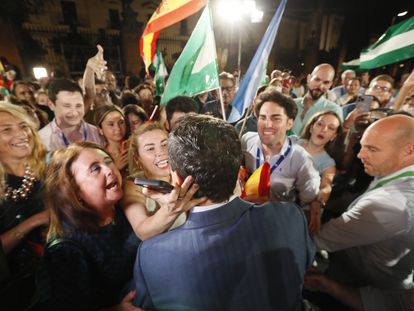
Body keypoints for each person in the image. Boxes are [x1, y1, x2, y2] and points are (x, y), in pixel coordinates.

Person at [132, 114, 315, 310]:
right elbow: (306, 263)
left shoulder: (152, 255)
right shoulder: (289, 216)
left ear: (176, 178)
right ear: (239, 170)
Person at [306, 115, 414, 311]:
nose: (360, 155)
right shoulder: (392, 173)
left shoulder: (390, 203)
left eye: (372, 149)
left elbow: (318, 239)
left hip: (362, 293)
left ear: (408, 151)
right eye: (363, 146)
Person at [36, 142, 142, 311]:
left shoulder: (125, 207)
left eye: (108, 161)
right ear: (73, 191)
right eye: (95, 169)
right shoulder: (65, 248)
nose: (109, 170)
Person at [0, 102, 49, 310]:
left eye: (23, 126)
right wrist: (36, 221)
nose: (21, 134)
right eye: (6, 129)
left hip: (60, 273)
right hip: (16, 291)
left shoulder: (48, 167)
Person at [121, 123, 203, 240]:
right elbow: (142, 232)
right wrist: (171, 209)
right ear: (137, 158)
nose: (161, 152)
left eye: (165, 144)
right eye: (150, 148)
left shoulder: (186, 174)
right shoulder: (133, 184)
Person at [241, 88, 320, 207]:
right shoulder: (247, 140)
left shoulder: (302, 160)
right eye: (263, 118)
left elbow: (308, 200)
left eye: (276, 118)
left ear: (289, 123)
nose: (267, 124)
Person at [299, 111, 342, 233]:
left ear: (334, 136)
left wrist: (318, 202)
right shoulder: (292, 143)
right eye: (320, 124)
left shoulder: (328, 163)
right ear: (312, 127)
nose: (323, 129)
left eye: (331, 128)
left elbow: (326, 186)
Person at [39, 78, 102, 151]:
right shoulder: (41, 139)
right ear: (51, 105)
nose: (74, 113)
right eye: (67, 106)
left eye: (78, 106)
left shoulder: (96, 132)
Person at [292, 63, 343, 135]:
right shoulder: (292, 104)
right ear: (309, 78)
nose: (320, 86)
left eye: (326, 82)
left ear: (330, 85)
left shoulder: (334, 110)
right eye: (317, 79)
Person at [93, 104, 128, 174]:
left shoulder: (135, 148)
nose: (118, 128)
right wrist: (115, 169)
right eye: (111, 124)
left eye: (121, 122)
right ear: (100, 129)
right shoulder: (100, 157)